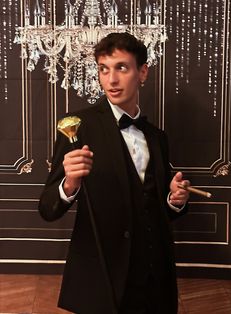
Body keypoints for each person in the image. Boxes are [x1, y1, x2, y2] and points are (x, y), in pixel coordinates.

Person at [38, 32, 190, 314]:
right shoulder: (78, 126)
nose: (111, 79)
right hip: (104, 274)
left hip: (155, 276)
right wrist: (69, 184)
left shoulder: (157, 137)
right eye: (103, 69)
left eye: (121, 67)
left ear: (142, 72)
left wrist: (175, 199)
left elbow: (158, 207)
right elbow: (47, 208)